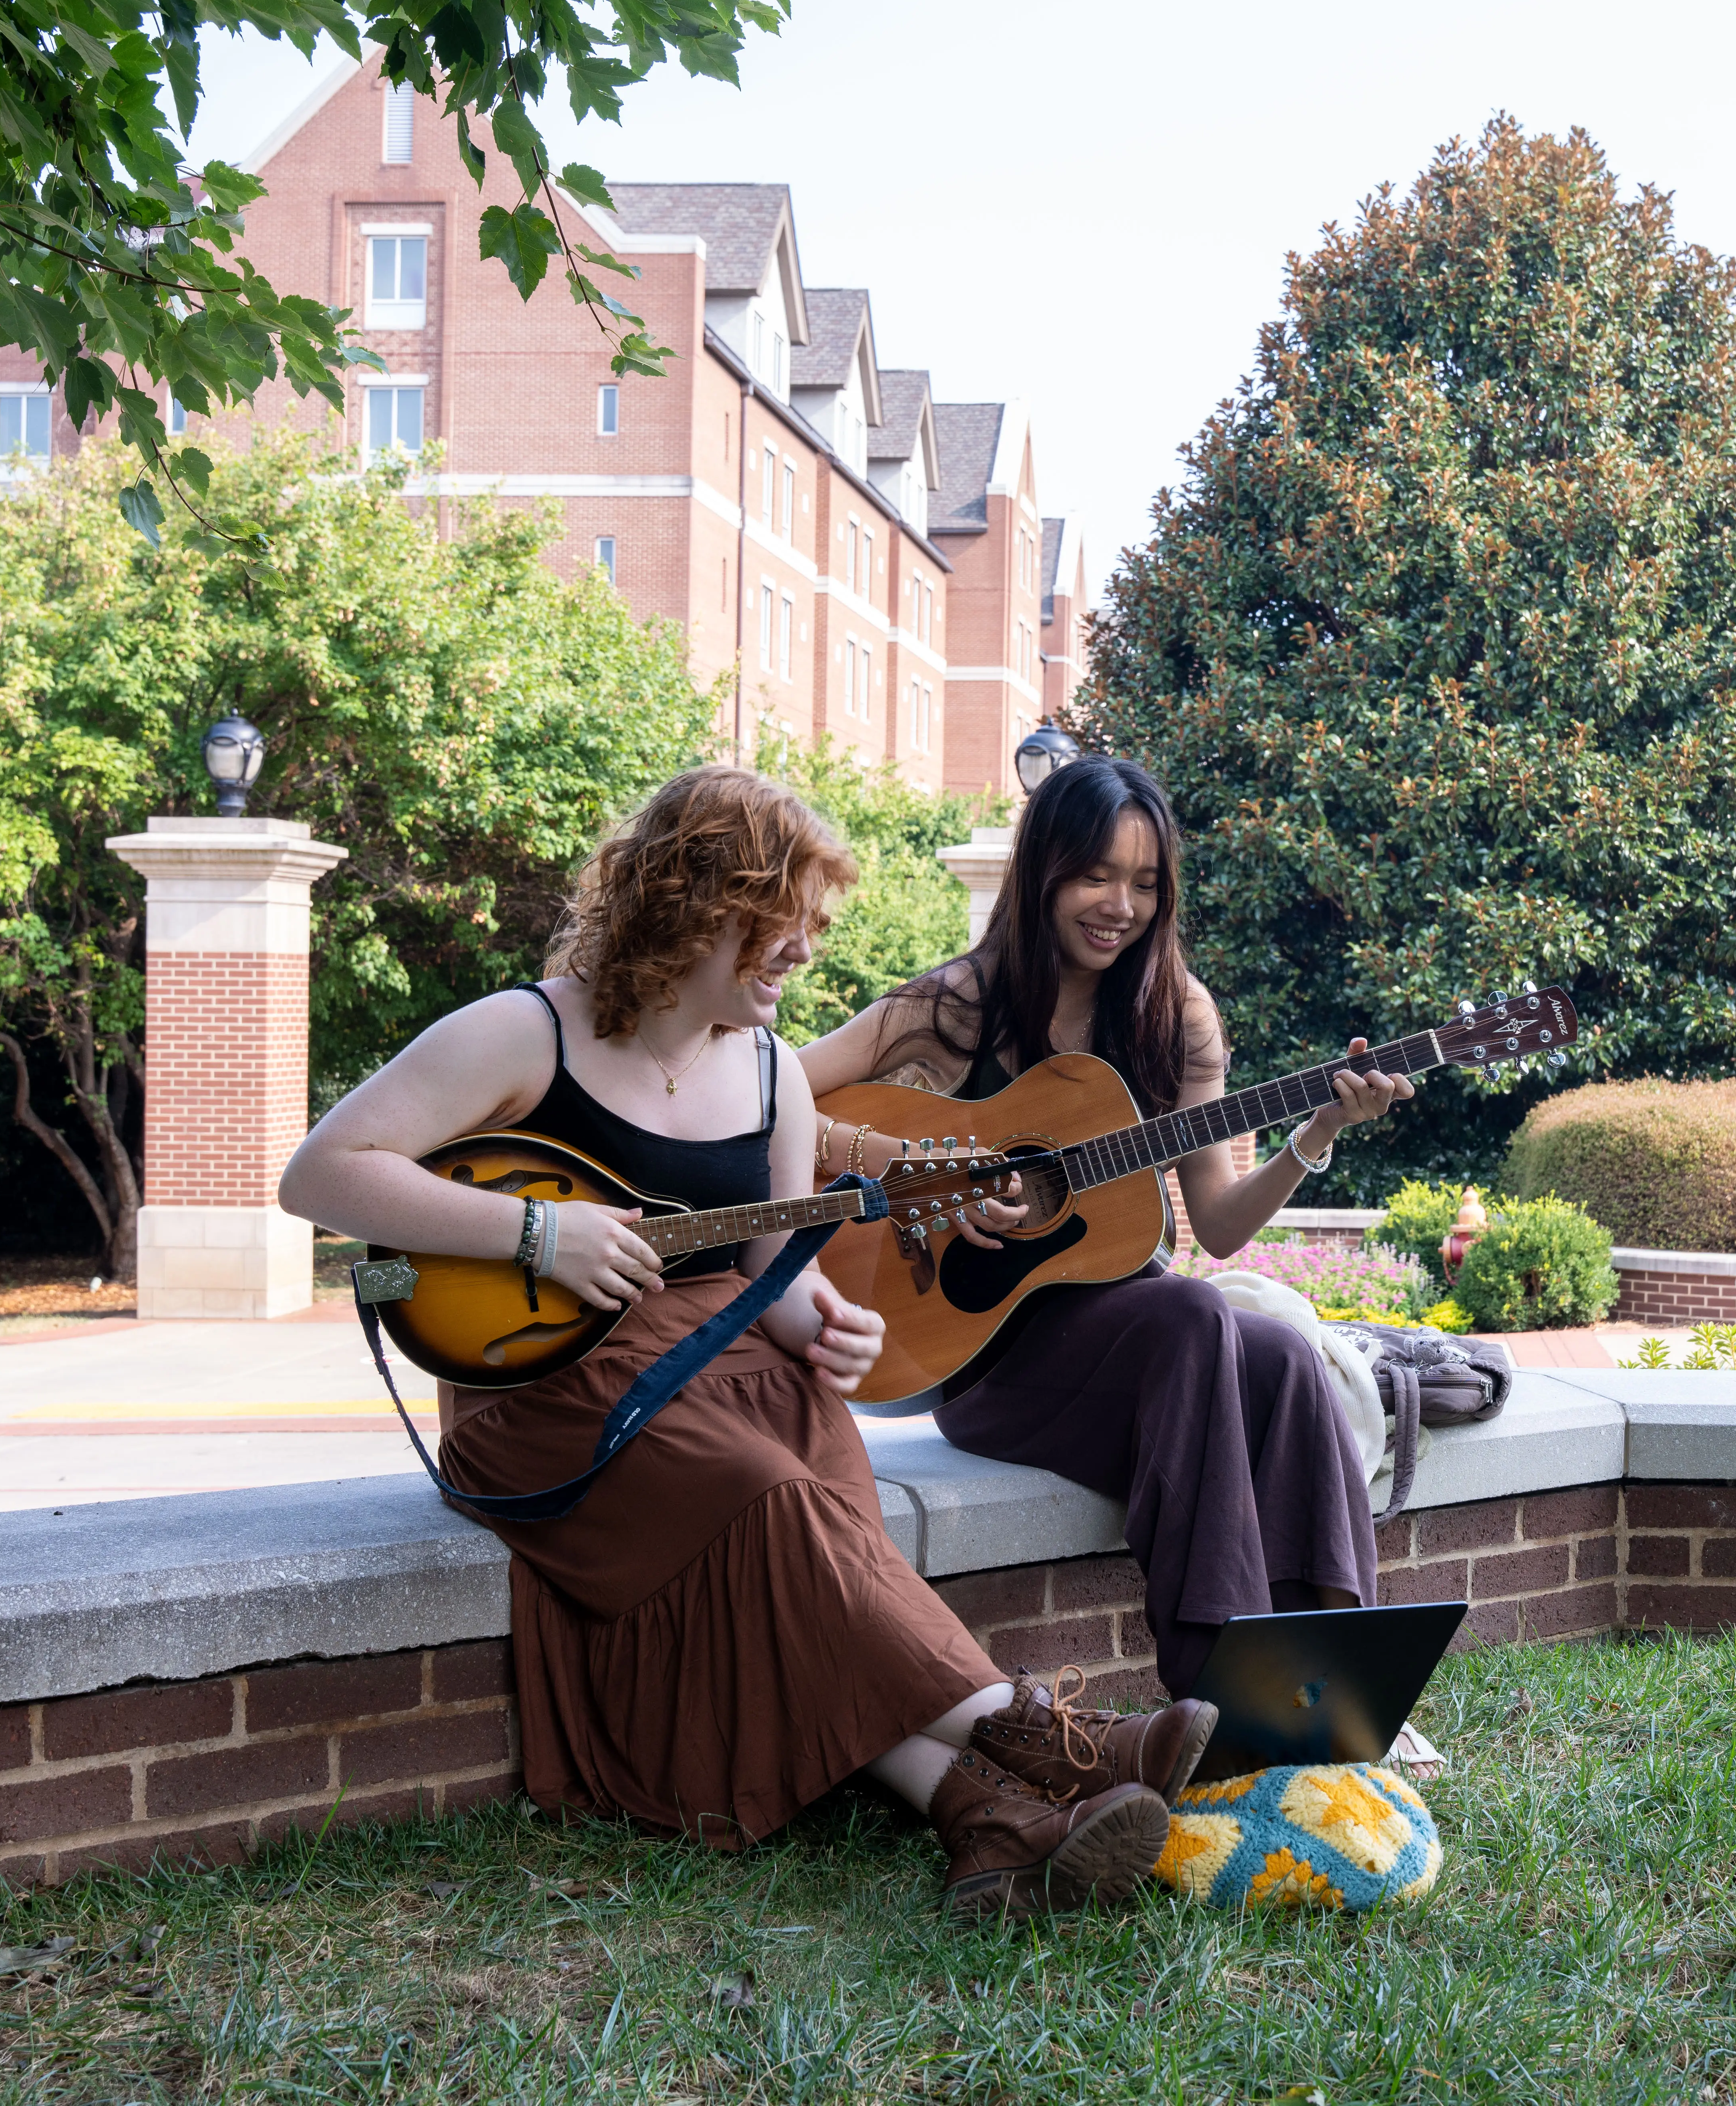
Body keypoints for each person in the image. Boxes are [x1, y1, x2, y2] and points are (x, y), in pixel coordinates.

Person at [280, 763, 1215, 1919]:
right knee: (773, 1500)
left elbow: (772, 1271)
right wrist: (536, 1232)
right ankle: (1062, 1742)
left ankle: (991, 1822)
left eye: (814, 929)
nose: (805, 955)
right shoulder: (530, 1031)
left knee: (813, 1499)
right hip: (557, 1389)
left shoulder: (771, 1069)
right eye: (787, 924)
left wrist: (820, 1317)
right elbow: (319, 1174)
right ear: (696, 901)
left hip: (723, 1364)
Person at [797, 753, 1413, 1704]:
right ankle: (1219, 1694)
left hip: (1149, 1353)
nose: (1118, 904)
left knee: (1286, 1356)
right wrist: (914, 1165)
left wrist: (1319, 1130)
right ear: (1043, 869)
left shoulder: (1178, 1017)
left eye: (1144, 883)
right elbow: (768, 1096)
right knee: (1194, 1320)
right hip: (992, 1361)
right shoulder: (952, 1006)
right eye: (1095, 874)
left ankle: (1333, 1687)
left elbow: (1219, 1226)